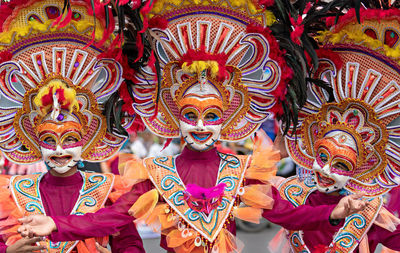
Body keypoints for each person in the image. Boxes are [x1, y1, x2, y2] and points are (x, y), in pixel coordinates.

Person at [17, 0, 368, 252]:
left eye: (211, 116)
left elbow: (290, 215)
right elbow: (111, 218)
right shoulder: (155, 174)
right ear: (174, 115)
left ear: (226, 118)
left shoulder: (242, 171)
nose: (201, 126)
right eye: (191, 115)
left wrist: (335, 212)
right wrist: (57, 225)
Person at [0, 0, 145, 252]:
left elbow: (131, 245)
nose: (59, 150)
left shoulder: (109, 192)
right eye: (49, 140)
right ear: (35, 142)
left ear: (87, 138)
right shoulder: (13, 193)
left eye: (69, 139)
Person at [273, 7, 400, 253]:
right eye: (322, 156)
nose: (325, 168)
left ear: (360, 168)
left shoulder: (370, 213)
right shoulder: (292, 194)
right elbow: (244, 188)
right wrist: (276, 153)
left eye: (341, 164)